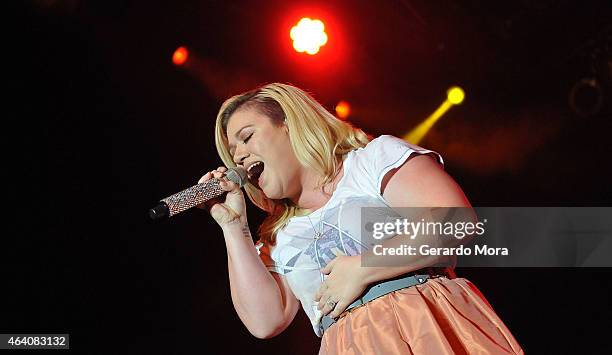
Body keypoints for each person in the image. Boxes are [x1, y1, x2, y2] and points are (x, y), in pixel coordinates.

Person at [198, 83, 523, 354]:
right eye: (231, 149)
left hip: (422, 323)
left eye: (246, 136)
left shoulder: (370, 161)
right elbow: (265, 321)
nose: (238, 154)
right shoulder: (277, 236)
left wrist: (363, 267)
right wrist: (231, 224)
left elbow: (455, 221)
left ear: (288, 123)